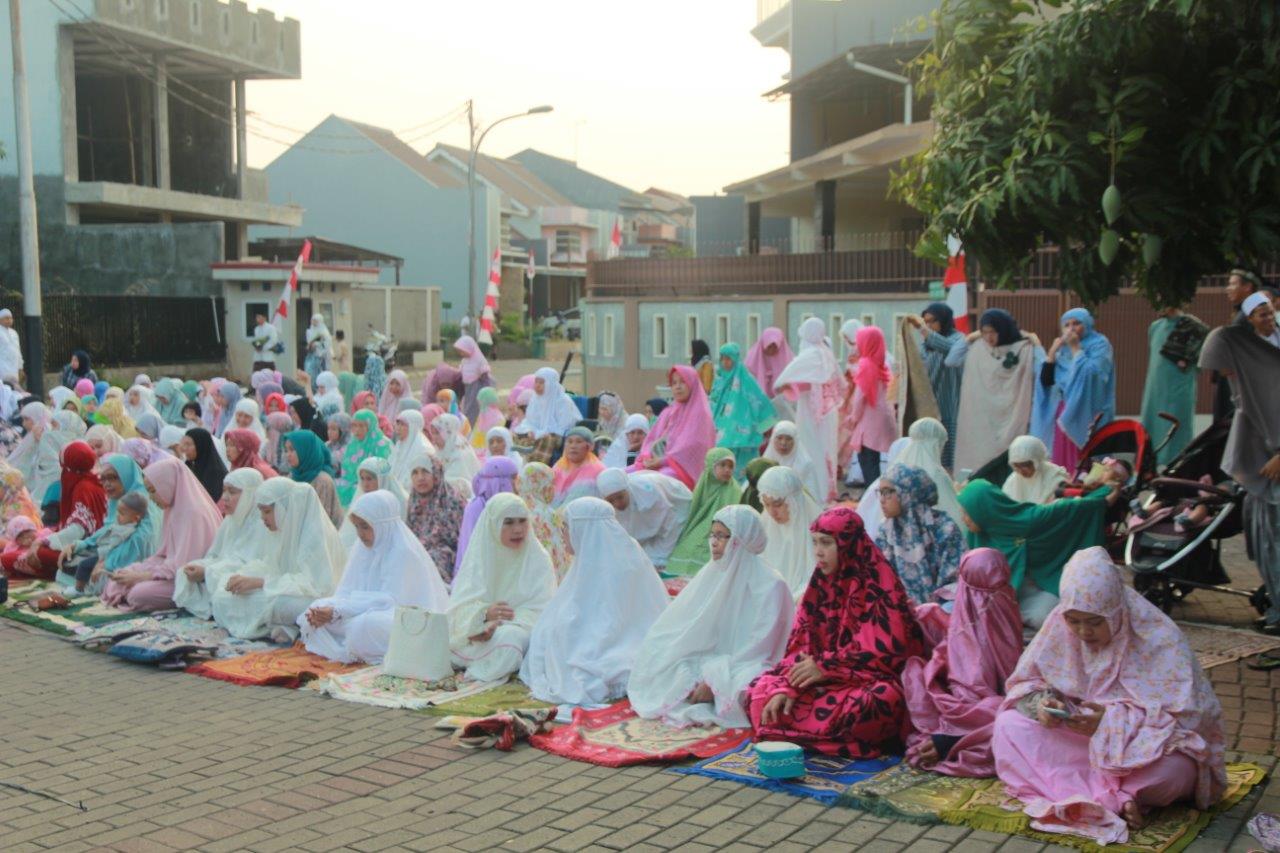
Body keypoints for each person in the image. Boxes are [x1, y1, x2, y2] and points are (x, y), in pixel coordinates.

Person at [992, 548, 1226, 845]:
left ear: (1116, 611)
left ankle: (1107, 795)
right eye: (1073, 620)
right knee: (1009, 726)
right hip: (1080, 741)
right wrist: (1044, 705)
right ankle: (1118, 799)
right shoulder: (1058, 627)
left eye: (1094, 621)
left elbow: (1189, 718)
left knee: (1176, 770)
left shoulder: (1158, 637)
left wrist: (1111, 723)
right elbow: (1028, 680)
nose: (1083, 632)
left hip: (1141, 749)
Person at [748, 506, 924, 758]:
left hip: (864, 680)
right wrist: (790, 686)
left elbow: (883, 654)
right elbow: (800, 645)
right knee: (760, 690)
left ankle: (793, 735)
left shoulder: (879, 584)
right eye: (815, 542)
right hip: (821, 683)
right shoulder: (819, 583)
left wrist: (826, 667)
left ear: (848, 544)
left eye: (827, 543)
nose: (818, 552)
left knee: (881, 700)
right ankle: (822, 738)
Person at [629, 505, 793, 728]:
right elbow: (687, 623)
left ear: (741, 539)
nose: (714, 542)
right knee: (666, 659)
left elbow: (760, 647)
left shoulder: (771, 585)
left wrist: (714, 679)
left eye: (722, 536)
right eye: (713, 535)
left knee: (750, 682)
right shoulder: (714, 572)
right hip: (715, 656)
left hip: (748, 662)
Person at [521, 497, 669, 706]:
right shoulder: (609, 552)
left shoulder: (612, 563)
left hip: (619, 639)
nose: (563, 534)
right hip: (619, 635)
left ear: (583, 529)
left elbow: (606, 625)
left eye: (566, 527)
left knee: (563, 644)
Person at [902, 548, 1023, 777]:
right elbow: (968, 693)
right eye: (981, 591)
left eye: (997, 588)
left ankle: (954, 739)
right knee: (1006, 715)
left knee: (1016, 717)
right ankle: (954, 738)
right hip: (974, 708)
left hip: (996, 707)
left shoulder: (994, 607)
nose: (987, 599)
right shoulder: (973, 619)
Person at [1199, 290, 1280, 633]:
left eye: (1269, 312)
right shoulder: (1245, 377)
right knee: (1265, 544)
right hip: (1262, 476)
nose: (1226, 374)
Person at [300, 490, 450, 663]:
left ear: (382, 525)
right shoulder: (361, 548)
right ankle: (353, 644)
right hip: (359, 612)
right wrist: (331, 610)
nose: (360, 533)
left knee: (364, 626)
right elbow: (346, 591)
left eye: (365, 526)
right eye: (357, 527)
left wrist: (339, 611)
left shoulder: (403, 552)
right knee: (315, 609)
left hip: (401, 619)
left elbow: (390, 600)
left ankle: (354, 644)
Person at [957, 479, 1112, 627]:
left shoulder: (1028, 520)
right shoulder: (976, 534)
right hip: (994, 596)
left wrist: (1106, 494)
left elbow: (1074, 509)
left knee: (1048, 618)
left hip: (1035, 587)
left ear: (983, 511)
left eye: (967, 514)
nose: (963, 519)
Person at [208, 477, 345, 641]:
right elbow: (270, 567)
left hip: (313, 600)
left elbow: (317, 586)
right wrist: (244, 577)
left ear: (285, 509)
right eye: (261, 511)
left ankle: (287, 624)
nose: (262, 518)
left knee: (283, 605)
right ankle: (287, 626)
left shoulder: (315, 535)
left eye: (267, 511)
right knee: (222, 596)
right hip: (280, 591)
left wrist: (261, 582)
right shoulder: (280, 532)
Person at [448, 492, 557, 682]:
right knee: (445, 637)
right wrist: (483, 616)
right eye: (508, 522)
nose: (518, 530)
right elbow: (458, 610)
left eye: (522, 521)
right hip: (482, 635)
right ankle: (482, 659)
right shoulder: (479, 557)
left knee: (511, 640)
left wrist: (503, 623)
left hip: (517, 630)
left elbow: (543, 610)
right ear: (493, 524)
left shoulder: (537, 558)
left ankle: (480, 666)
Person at [101, 456, 222, 612]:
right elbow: (164, 555)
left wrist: (142, 576)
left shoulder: (194, 513)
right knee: (122, 575)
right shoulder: (171, 509)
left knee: (138, 594)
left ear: (168, 484)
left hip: (190, 581)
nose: (151, 498)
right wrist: (137, 571)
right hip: (169, 572)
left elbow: (184, 568)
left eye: (153, 491)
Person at [954, 309, 1044, 477]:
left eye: (993, 332)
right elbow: (951, 360)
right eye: (985, 332)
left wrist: (1037, 344)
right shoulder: (979, 348)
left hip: (1013, 416)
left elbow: (1042, 368)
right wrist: (969, 338)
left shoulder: (1024, 349)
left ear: (1003, 329)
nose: (989, 337)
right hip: (985, 420)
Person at [174, 468, 270, 619]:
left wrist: (207, 573)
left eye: (232, 492)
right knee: (183, 571)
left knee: (228, 591)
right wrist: (204, 569)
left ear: (250, 494)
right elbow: (216, 555)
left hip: (244, 578)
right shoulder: (230, 520)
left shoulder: (262, 523)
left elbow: (253, 566)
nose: (224, 497)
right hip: (222, 572)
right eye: (224, 491)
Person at [5, 441, 107, 580]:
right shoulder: (91, 482)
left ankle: (59, 571)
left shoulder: (83, 488)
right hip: (87, 547)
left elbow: (79, 530)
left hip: (88, 551)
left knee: (33, 554)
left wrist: (42, 542)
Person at [1034, 308, 1116, 471]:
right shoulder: (1061, 350)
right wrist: (1051, 354)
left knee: (1088, 460)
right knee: (1063, 463)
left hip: (1089, 411)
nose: (1071, 329)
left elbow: (1093, 376)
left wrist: (1076, 349)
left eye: (1077, 323)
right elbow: (1047, 381)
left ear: (1087, 324)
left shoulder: (1100, 345)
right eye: (1067, 325)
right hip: (1065, 414)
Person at [874, 464, 965, 605]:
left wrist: (932, 610)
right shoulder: (886, 531)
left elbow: (955, 581)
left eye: (887, 492)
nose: (882, 499)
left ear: (907, 493)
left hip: (941, 609)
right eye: (880, 492)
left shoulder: (943, 528)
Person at [774, 317, 842, 502]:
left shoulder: (810, 355)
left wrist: (784, 385)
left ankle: (815, 491)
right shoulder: (825, 354)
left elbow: (792, 381)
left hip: (812, 412)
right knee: (825, 449)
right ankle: (824, 490)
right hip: (826, 411)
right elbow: (816, 383)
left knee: (811, 449)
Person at [631, 365, 716, 489]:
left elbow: (692, 448)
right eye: (674, 383)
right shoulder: (672, 411)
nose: (678, 386)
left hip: (683, 470)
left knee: (647, 483)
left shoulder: (700, 414)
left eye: (683, 382)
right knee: (621, 476)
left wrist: (662, 461)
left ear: (692, 383)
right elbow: (653, 438)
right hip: (661, 464)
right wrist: (648, 457)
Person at [1140, 306, 1207, 465]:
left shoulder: (1194, 327)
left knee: (1176, 429)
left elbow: (1200, 361)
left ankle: (1177, 466)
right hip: (1154, 388)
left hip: (1179, 388)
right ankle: (1150, 464)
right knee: (1152, 427)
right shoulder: (1155, 327)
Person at [597, 467, 693, 571]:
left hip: (677, 508)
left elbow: (671, 523)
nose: (617, 503)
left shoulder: (648, 493)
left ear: (627, 489)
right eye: (611, 501)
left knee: (664, 557)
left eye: (620, 497)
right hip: (656, 522)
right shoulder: (606, 506)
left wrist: (662, 557)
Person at [908, 303, 968, 469]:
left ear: (944, 320)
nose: (929, 325)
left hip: (950, 403)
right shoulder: (925, 345)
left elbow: (949, 349)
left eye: (933, 321)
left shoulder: (959, 340)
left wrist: (921, 329)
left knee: (950, 456)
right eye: (926, 322)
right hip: (930, 406)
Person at [666, 448, 742, 576]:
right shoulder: (704, 483)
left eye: (730, 466)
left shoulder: (734, 489)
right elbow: (695, 510)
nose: (727, 470)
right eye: (722, 465)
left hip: (722, 529)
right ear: (711, 466)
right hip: (699, 525)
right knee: (687, 546)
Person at [840, 325, 895, 488]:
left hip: (869, 420)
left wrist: (853, 418)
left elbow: (860, 397)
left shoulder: (865, 364)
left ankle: (874, 498)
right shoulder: (880, 363)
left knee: (868, 464)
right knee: (874, 462)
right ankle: (877, 496)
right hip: (882, 417)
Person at [709, 343, 777, 476]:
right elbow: (713, 402)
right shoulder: (719, 379)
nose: (725, 362)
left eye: (728, 358)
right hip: (721, 429)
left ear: (735, 359)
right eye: (722, 358)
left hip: (743, 429)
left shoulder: (746, 379)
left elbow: (759, 399)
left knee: (744, 467)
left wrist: (764, 424)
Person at [756, 465, 822, 599]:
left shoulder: (818, 531)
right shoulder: (765, 526)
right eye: (766, 504)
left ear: (794, 501)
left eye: (777, 504)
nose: (772, 512)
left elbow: (818, 577)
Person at [405, 453, 466, 584]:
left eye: (425, 471)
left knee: (432, 559)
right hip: (418, 551)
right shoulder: (413, 500)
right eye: (415, 473)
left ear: (436, 473)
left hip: (447, 555)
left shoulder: (452, 500)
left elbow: (458, 541)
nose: (420, 478)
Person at [454, 456, 520, 578]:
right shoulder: (476, 507)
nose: (516, 485)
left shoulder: (514, 506)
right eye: (513, 479)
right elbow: (472, 549)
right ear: (500, 482)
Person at [515, 462, 571, 581]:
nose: (553, 489)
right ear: (542, 485)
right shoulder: (547, 514)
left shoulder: (514, 508)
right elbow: (556, 549)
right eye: (551, 484)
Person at [284, 430, 344, 527]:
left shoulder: (323, 481)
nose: (288, 454)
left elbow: (320, 521)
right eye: (286, 450)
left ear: (306, 450)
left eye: (292, 449)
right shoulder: (292, 476)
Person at [8, 403, 62, 510]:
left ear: (36, 417)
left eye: (27, 419)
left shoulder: (46, 435)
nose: (24, 423)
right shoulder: (31, 436)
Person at [521, 366, 581, 458]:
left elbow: (565, 426)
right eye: (536, 382)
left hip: (558, 435)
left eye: (541, 383)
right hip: (539, 433)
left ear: (550, 384)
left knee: (546, 440)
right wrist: (530, 430)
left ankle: (537, 465)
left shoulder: (562, 401)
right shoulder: (535, 399)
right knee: (517, 435)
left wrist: (542, 433)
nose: (537, 385)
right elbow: (530, 420)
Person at [337, 410, 392, 506]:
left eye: (361, 426)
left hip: (373, 486)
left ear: (370, 426)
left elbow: (384, 473)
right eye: (354, 426)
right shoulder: (352, 444)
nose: (357, 430)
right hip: (353, 483)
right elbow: (346, 472)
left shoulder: (382, 444)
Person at [1003, 435, 1068, 505]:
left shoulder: (1056, 479)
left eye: (1025, 465)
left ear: (1037, 461)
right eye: (1016, 466)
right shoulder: (1012, 482)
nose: (1021, 471)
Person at [551, 426, 605, 508]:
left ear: (589, 446)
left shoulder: (597, 469)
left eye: (579, 442)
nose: (573, 446)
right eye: (569, 442)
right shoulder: (559, 465)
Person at [762, 421, 815, 502]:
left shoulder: (805, 464)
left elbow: (812, 496)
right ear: (772, 439)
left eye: (789, 439)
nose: (783, 443)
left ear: (796, 440)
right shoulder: (765, 463)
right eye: (779, 438)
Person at [387, 410, 432, 492]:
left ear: (413, 426)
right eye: (397, 424)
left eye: (403, 425)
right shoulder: (399, 445)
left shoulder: (424, 450)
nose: (398, 428)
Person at [745, 326, 794, 399]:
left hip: (781, 402)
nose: (771, 350)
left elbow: (794, 386)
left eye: (775, 347)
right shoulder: (751, 361)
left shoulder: (789, 361)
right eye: (769, 346)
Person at [454, 335, 494, 425]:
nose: (461, 354)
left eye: (462, 351)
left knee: (473, 408)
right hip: (467, 387)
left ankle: (471, 425)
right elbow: (461, 371)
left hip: (476, 387)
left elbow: (485, 375)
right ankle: (467, 424)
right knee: (467, 406)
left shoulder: (479, 359)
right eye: (459, 352)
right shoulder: (464, 360)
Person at [180, 428, 228, 503]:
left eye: (188, 444)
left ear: (200, 445)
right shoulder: (190, 465)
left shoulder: (216, 473)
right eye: (184, 444)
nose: (184, 448)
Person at [431, 412, 481, 483]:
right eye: (432, 433)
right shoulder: (439, 450)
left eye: (437, 433)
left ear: (449, 433)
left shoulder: (459, 454)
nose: (434, 437)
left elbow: (456, 482)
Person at [471, 388, 505, 454]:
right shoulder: (498, 415)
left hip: (485, 450)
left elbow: (475, 435)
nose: (478, 404)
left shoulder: (484, 414)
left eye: (479, 401)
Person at [304, 315, 332, 384]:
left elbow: (327, 344)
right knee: (310, 373)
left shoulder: (324, 332)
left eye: (315, 320)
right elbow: (309, 343)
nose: (313, 322)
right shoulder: (310, 331)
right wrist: (310, 346)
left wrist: (317, 344)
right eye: (312, 320)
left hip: (321, 357)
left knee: (319, 375)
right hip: (311, 355)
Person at [0, 308, 22, 384]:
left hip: (14, 369)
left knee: (14, 388)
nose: (9, 320)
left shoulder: (14, 333)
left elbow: (18, 351)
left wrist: (20, 367)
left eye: (10, 318)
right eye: (6, 318)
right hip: (2, 368)